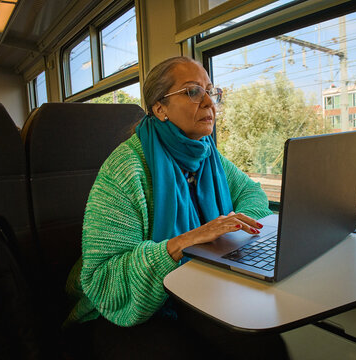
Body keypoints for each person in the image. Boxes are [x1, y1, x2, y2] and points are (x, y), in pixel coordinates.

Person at [64, 56, 289, 359]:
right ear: (160, 108)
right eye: (193, 91)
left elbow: (251, 193)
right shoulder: (125, 169)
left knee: (263, 345)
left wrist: (234, 225)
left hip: (195, 288)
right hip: (124, 306)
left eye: (212, 90)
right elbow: (103, 278)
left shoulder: (208, 155)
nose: (210, 102)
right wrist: (181, 244)